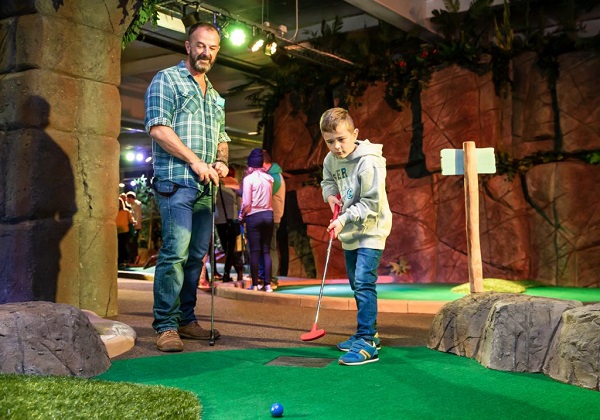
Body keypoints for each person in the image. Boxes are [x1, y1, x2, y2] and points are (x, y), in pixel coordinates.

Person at [144, 21, 230, 352]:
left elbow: (222, 137)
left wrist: (221, 161)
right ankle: (165, 325)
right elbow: (158, 128)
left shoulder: (216, 97)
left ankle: (186, 318)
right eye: (200, 45)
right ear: (188, 46)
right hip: (176, 182)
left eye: (212, 47)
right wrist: (195, 160)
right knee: (175, 252)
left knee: (196, 256)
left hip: (205, 189)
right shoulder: (166, 79)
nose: (205, 52)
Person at [320, 107, 392, 366]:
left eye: (341, 139)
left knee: (363, 281)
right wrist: (330, 197)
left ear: (355, 134)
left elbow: (371, 204)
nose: (337, 147)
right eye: (330, 141)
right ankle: (368, 331)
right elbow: (327, 181)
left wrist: (341, 219)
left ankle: (368, 342)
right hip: (350, 229)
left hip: (371, 228)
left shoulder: (369, 161)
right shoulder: (330, 159)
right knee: (355, 282)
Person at [240, 148, 274, 292]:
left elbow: (247, 203)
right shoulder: (269, 179)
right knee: (266, 251)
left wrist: (241, 216)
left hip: (254, 215)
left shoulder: (248, 179)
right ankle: (267, 285)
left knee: (255, 251)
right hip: (268, 214)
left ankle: (254, 284)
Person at [259, 150, 286, 286]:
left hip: (271, 218)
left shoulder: (274, 176)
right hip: (267, 217)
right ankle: (265, 277)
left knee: (270, 249)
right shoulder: (271, 175)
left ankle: (272, 279)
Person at [216, 168, 243, 282]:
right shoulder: (234, 184)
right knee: (231, 249)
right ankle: (234, 271)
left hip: (219, 220)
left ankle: (232, 271)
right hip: (233, 220)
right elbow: (240, 203)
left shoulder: (216, 184)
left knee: (226, 248)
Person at [115, 197, 135, 269]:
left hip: (124, 232)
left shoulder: (126, 211)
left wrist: (133, 221)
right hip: (116, 231)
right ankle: (119, 261)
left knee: (123, 246)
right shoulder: (114, 212)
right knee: (118, 247)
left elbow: (131, 219)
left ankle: (123, 261)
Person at [126, 191, 143, 264]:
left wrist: (136, 225)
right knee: (132, 243)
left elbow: (138, 216)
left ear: (131, 198)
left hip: (136, 226)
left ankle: (135, 257)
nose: (127, 200)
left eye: (128, 199)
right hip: (134, 226)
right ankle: (133, 257)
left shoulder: (137, 204)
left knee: (133, 242)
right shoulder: (132, 205)